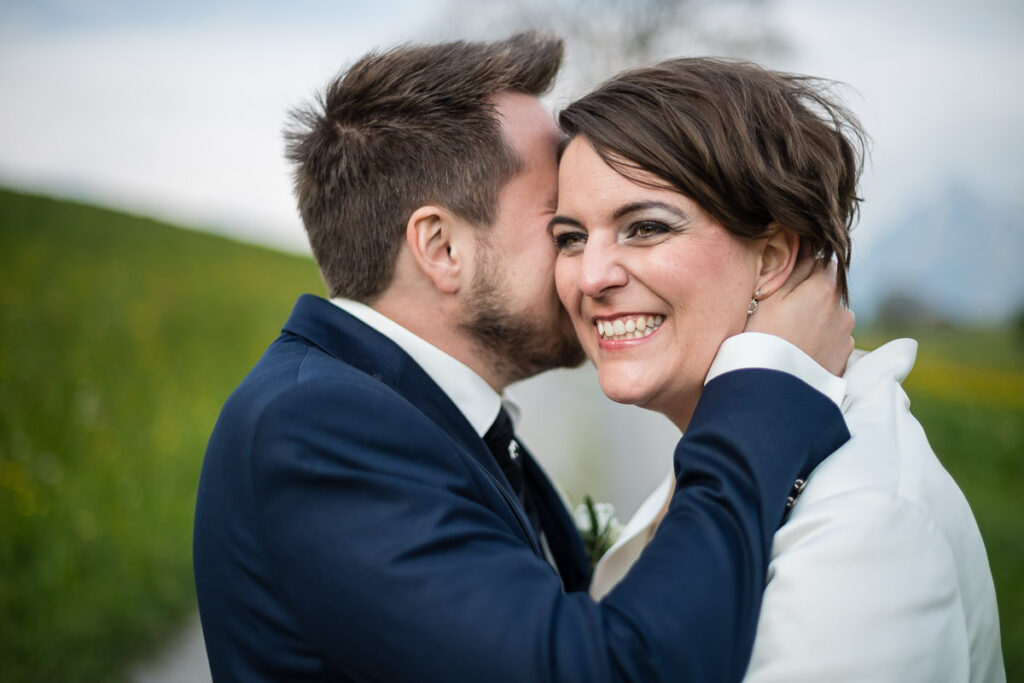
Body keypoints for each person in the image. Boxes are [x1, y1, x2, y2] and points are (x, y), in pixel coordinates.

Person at [193, 34, 855, 681]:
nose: (590, 273)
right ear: (443, 247)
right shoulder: (315, 426)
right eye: (563, 228)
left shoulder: (414, 413)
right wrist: (766, 389)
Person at [551, 57, 1005, 682]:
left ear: (771, 257)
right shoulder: (746, 440)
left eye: (645, 228)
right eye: (570, 237)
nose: (590, 276)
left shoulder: (868, 527)